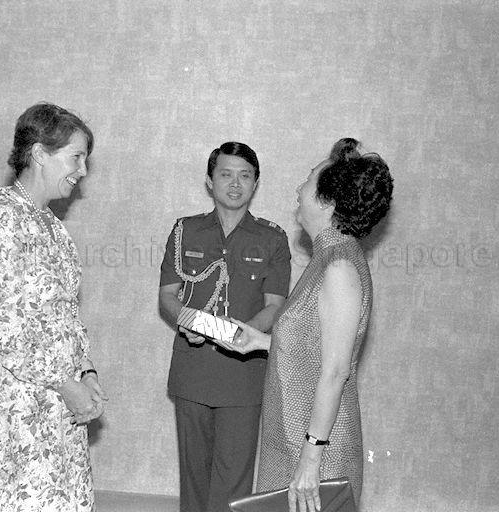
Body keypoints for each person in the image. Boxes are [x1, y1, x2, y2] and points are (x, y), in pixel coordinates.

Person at [0, 103, 107, 511]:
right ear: (38, 154)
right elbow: (8, 332)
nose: (82, 170)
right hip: (15, 414)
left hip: (55, 407)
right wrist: (68, 385)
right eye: (76, 157)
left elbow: (66, 315)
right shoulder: (2, 223)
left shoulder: (51, 224)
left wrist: (86, 371)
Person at [218, 138, 393, 512]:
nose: (299, 189)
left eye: (308, 180)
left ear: (327, 201)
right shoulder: (327, 257)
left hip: (316, 451)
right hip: (292, 437)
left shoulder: (339, 266)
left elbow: (335, 371)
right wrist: (263, 342)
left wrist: (311, 459)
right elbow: (315, 345)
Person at [159, 141, 292, 512]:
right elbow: (167, 295)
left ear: (255, 183)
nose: (235, 184)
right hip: (193, 369)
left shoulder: (272, 238)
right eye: (226, 174)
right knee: (194, 477)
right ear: (209, 180)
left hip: (243, 374)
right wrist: (185, 320)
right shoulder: (185, 231)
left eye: (245, 176)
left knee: (233, 482)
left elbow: (275, 305)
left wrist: (243, 334)